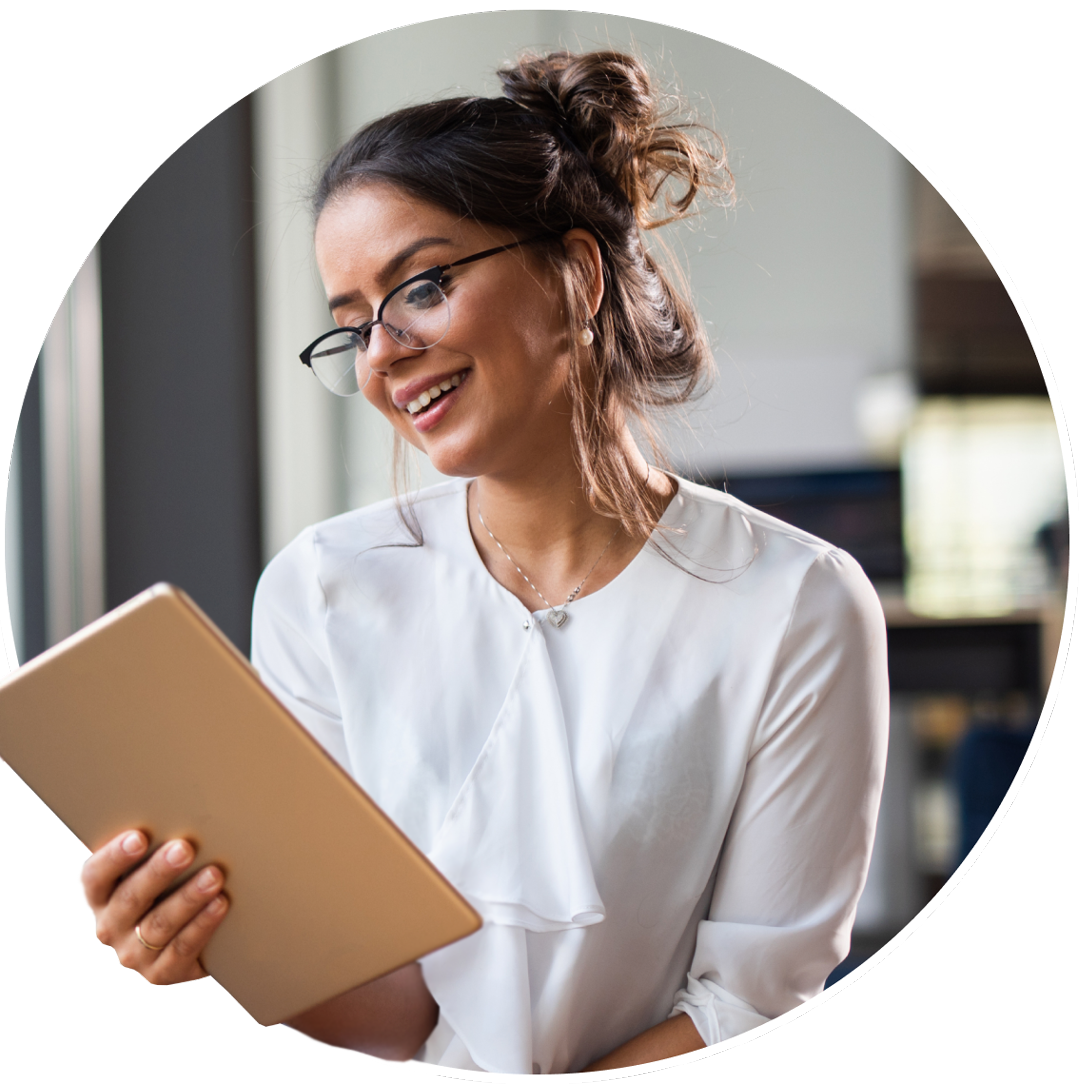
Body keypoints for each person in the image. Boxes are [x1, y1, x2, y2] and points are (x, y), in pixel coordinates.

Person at [78, 50, 889, 1073]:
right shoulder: (324, 589)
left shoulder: (795, 603)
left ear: (579, 273)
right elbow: (394, 1014)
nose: (383, 352)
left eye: (422, 285)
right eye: (351, 325)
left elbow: (751, 1000)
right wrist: (218, 950)